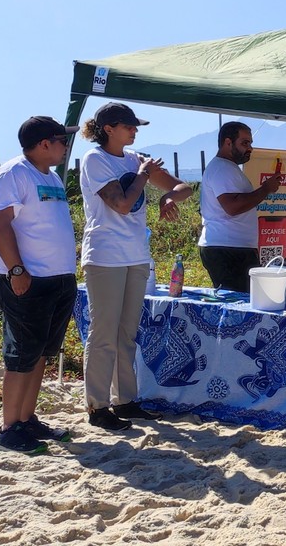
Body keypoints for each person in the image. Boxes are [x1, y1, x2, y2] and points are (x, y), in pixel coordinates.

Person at [77, 103, 193, 431]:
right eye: (129, 126)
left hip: (136, 256)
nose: (135, 131)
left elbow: (182, 187)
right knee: (103, 333)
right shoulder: (94, 160)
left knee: (127, 333)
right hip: (104, 257)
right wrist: (143, 176)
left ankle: (125, 400)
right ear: (109, 128)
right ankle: (98, 406)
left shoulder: (135, 157)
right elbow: (123, 204)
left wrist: (167, 198)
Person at [0, 116, 81, 454]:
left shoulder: (51, 176)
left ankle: (27, 419)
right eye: (61, 140)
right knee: (22, 353)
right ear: (44, 144)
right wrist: (16, 270)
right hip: (27, 280)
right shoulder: (14, 173)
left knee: (41, 352)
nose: (65, 146)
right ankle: (9, 428)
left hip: (58, 279)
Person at [198, 121, 281, 292]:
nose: (250, 148)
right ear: (228, 142)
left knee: (244, 302)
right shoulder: (222, 169)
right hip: (227, 249)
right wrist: (265, 189)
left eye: (250, 143)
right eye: (245, 143)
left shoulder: (228, 168)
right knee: (236, 306)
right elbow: (232, 207)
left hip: (233, 247)